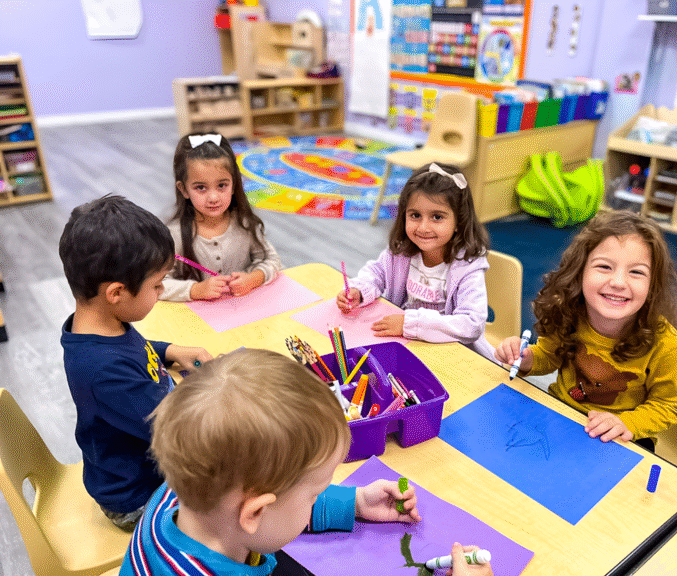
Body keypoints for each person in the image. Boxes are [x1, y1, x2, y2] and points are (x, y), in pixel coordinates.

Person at [119, 348, 493, 575]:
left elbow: (274, 509)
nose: (316, 498)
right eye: (314, 495)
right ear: (254, 512)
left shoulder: (185, 493)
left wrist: (354, 503)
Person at [59, 195, 213, 530]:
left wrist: (170, 350)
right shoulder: (103, 370)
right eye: (156, 285)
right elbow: (178, 431)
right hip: (140, 496)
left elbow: (135, 351)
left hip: (150, 462)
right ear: (116, 293)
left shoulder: (103, 327)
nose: (162, 291)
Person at [495, 210, 677, 450]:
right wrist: (526, 359)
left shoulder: (666, 342)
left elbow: (669, 405)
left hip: (625, 436)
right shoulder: (569, 311)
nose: (618, 282)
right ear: (579, 272)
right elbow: (549, 356)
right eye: (604, 267)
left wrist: (627, 423)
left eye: (636, 272)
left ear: (653, 285)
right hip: (563, 414)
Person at [337, 162, 496, 361]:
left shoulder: (468, 266)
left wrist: (409, 323)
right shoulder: (402, 250)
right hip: (405, 344)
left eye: (437, 217)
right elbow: (376, 273)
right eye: (415, 215)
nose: (423, 227)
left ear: (459, 221)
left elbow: (471, 324)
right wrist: (359, 291)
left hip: (449, 353)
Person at [161, 132, 281, 301]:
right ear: (184, 190)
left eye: (222, 185)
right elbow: (156, 284)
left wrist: (255, 278)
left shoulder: (244, 223)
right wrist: (195, 289)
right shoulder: (175, 234)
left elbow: (272, 259)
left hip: (247, 308)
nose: (213, 198)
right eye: (201, 187)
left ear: (234, 185)